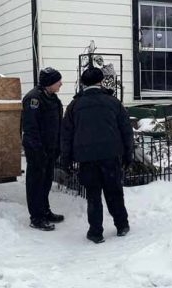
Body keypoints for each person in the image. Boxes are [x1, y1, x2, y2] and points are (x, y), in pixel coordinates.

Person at [61, 67, 133, 244]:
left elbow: (66, 134)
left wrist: (66, 159)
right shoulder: (113, 102)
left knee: (93, 195)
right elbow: (126, 130)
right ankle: (121, 225)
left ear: (83, 83)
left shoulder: (74, 106)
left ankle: (95, 232)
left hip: (86, 157)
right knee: (114, 191)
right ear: (101, 82)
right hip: (110, 155)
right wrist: (127, 154)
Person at [22, 67, 65, 231]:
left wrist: (57, 146)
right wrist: (38, 150)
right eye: (58, 81)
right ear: (49, 83)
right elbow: (31, 129)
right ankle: (36, 217)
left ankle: (45, 211)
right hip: (37, 150)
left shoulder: (53, 98)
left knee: (46, 182)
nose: (61, 84)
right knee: (35, 184)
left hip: (50, 149)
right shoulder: (34, 99)